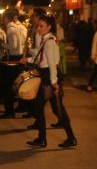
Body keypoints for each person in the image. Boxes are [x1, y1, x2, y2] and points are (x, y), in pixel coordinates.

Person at [26, 14, 77, 148]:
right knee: (57, 109)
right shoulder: (47, 40)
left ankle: (43, 139)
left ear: (49, 27)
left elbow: (52, 64)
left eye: (42, 26)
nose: (39, 28)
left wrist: (54, 83)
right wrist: (29, 59)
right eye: (38, 26)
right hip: (48, 76)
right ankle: (70, 138)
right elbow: (41, 60)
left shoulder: (49, 42)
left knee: (44, 107)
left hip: (49, 78)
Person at [0, 10, 27, 119]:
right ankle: (22, 106)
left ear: (6, 18)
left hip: (13, 58)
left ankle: (9, 111)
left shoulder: (10, 29)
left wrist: (3, 44)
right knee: (19, 84)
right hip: (20, 57)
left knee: (8, 86)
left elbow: (13, 46)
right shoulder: (22, 28)